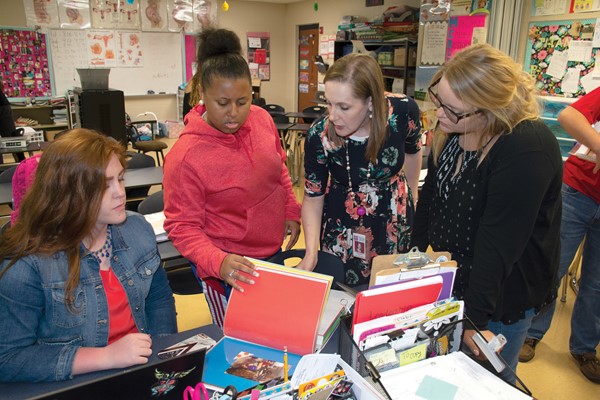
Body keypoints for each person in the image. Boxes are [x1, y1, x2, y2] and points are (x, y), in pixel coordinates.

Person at [410, 44, 563, 383]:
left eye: (453, 110)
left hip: (498, 298)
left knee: (483, 384)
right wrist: (415, 261)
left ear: (489, 110)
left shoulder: (526, 148)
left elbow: (497, 247)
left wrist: (475, 321)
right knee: (442, 381)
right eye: (438, 100)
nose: (439, 116)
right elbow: (430, 197)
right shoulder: (455, 128)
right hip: (457, 282)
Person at [0, 129, 177, 382]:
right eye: (104, 185)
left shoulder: (137, 229)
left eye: (120, 179)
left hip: (139, 369)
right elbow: (8, 359)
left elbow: (159, 299)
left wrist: (165, 360)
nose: (119, 193)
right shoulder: (28, 264)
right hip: (73, 382)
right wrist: (107, 357)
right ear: (67, 194)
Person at [163, 28, 301, 323]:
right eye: (222, 104)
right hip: (227, 266)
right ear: (202, 94)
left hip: (271, 251)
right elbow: (181, 226)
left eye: (243, 101)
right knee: (240, 345)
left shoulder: (262, 119)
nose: (234, 113)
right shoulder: (186, 156)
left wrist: (290, 208)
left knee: (274, 329)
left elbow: (279, 169)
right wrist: (219, 262)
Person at [297, 52, 422, 287]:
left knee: (390, 291)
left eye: (344, 107)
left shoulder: (404, 111)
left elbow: (413, 151)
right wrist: (311, 252)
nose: (333, 116)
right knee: (343, 293)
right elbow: (313, 198)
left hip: (393, 215)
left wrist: (412, 193)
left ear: (372, 102)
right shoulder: (320, 134)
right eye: (329, 103)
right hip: (342, 219)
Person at [519, 86, 600, 384]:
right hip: (579, 191)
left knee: (597, 283)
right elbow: (569, 115)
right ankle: (531, 333)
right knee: (552, 268)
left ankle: (584, 349)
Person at [0, 79, 25, 163]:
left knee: (12, 138)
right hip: (3, 105)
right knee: (12, 136)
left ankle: (22, 163)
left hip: (2, 106)